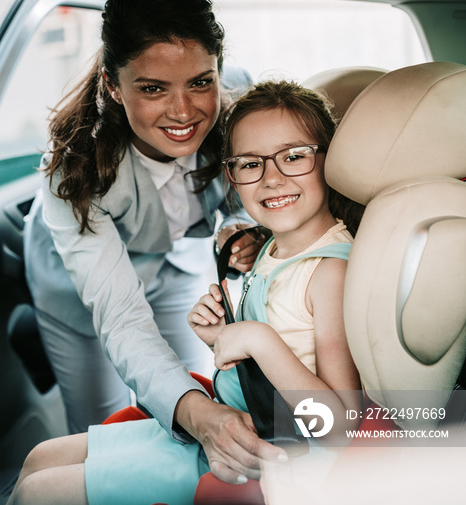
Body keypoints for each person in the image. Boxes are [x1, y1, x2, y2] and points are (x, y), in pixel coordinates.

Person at [10, 80, 362, 505]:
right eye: (249, 164)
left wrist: (258, 340)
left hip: (269, 455)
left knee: (36, 492)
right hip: (231, 419)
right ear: (231, 173)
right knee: (38, 458)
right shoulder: (273, 246)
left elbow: (340, 429)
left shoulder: (329, 272)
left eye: (293, 157)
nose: (271, 179)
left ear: (330, 159)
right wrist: (224, 336)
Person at [23, 0, 278, 480]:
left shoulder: (237, 109)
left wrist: (233, 225)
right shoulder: (72, 167)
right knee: (100, 429)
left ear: (218, 72)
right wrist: (197, 418)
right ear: (113, 87)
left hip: (171, 266)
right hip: (77, 298)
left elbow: (241, 192)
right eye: (153, 88)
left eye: (200, 82)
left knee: (183, 394)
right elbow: (120, 316)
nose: (184, 111)